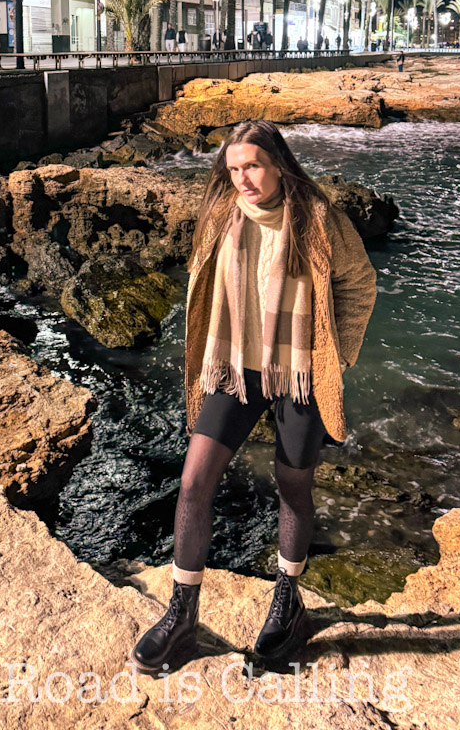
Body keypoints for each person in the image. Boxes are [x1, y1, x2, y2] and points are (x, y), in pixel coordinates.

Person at [130, 120, 377, 674]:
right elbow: (201, 277)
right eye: (234, 168)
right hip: (233, 366)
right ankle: (183, 612)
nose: (242, 178)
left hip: (299, 373)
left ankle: (288, 601)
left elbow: (360, 284)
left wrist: (336, 355)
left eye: (253, 166)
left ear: (278, 164)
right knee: (194, 481)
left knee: (293, 485)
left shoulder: (318, 218)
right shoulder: (221, 213)